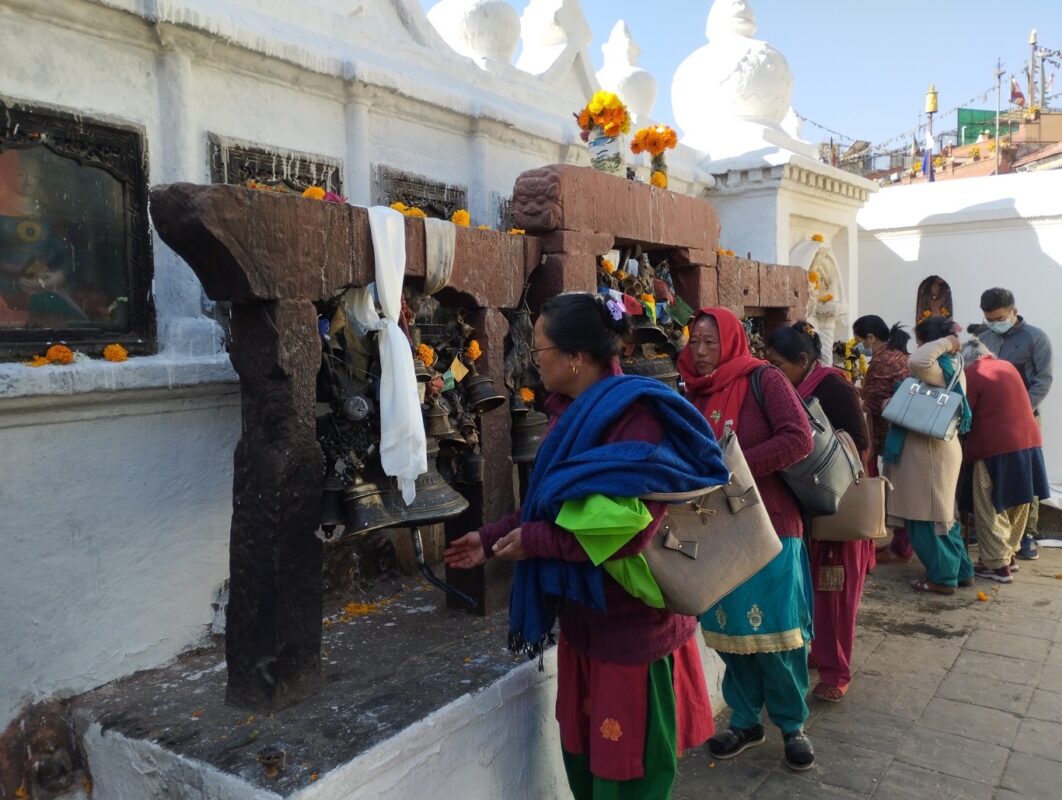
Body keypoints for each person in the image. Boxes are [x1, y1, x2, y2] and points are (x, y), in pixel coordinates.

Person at [444, 292, 729, 799]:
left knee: (631, 771)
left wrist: (534, 543)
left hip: (630, 627)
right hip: (585, 620)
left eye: (539, 351)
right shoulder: (572, 412)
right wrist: (489, 540)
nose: (534, 363)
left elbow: (630, 527)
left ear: (575, 358)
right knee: (586, 758)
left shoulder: (634, 418)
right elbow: (549, 505)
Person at [676, 307, 816, 771]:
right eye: (694, 341)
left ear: (732, 341)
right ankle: (744, 720)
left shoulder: (764, 380)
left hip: (771, 526)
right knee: (728, 631)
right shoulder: (690, 394)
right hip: (717, 529)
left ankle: (792, 724)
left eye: (709, 342)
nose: (699, 351)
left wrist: (734, 469)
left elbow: (799, 438)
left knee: (776, 633)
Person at [766, 322, 872, 704]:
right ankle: (820, 652)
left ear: (803, 360)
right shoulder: (791, 387)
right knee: (813, 589)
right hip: (808, 502)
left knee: (835, 592)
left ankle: (836, 671)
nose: (772, 371)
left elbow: (858, 441)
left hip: (836, 502)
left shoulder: (832, 386)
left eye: (778, 364)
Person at [884, 316, 974, 595]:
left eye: (920, 341)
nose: (917, 347)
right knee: (941, 515)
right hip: (929, 452)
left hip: (929, 454)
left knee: (927, 518)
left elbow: (918, 362)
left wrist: (947, 341)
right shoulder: (948, 368)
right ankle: (960, 572)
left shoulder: (939, 367)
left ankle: (942, 578)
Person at [959, 338, 1050, 583]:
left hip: (995, 446)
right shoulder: (1007, 366)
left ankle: (996, 565)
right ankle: (1008, 554)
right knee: (1020, 500)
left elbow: (964, 414)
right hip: (1029, 442)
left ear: (965, 359)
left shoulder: (972, 373)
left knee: (989, 504)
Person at [977, 288, 1053, 561]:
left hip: (1025, 416)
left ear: (1013, 310)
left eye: (999, 317)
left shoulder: (1035, 338)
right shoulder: (984, 339)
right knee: (991, 475)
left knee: (1027, 474)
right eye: (989, 318)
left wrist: (1021, 409)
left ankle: (1027, 534)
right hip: (990, 419)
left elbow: (1043, 380)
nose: (994, 323)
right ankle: (995, 531)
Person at [852, 315, 913, 564]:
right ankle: (900, 544)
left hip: (890, 432)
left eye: (859, 341)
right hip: (898, 430)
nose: (859, 347)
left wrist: (855, 396)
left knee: (896, 490)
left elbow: (874, 403)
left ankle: (901, 548)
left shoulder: (883, 361)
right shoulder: (898, 355)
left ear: (871, 338)